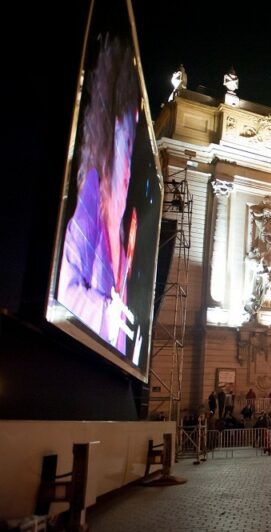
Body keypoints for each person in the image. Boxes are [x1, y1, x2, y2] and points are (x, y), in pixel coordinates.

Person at [57, 34, 141, 358]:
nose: (128, 170)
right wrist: (107, 310)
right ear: (108, 148)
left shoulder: (120, 231)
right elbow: (65, 290)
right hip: (71, 358)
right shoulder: (88, 212)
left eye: (132, 152)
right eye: (126, 148)